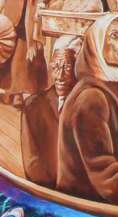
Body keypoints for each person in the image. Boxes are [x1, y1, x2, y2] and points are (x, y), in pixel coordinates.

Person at [56, 13, 118, 207]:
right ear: (97, 46)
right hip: (87, 206)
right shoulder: (91, 98)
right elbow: (105, 174)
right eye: (115, 36)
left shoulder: (114, 86)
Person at [21, 37, 80, 187]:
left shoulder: (87, 106)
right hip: (45, 190)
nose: (59, 76)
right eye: (55, 67)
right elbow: (32, 162)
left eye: (67, 68)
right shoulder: (32, 107)